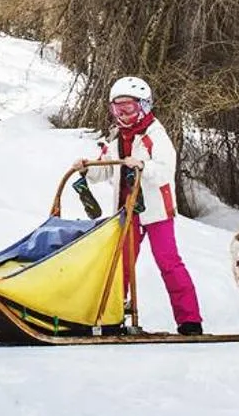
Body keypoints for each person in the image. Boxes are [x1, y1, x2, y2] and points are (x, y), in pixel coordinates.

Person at [75, 76, 205, 335]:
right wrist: (87, 168)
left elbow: (165, 171)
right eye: (117, 108)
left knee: (168, 261)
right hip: (128, 209)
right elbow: (105, 171)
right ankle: (113, 316)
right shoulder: (116, 139)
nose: (122, 115)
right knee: (120, 262)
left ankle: (190, 320)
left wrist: (142, 165)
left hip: (155, 210)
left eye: (129, 108)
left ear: (144, 107)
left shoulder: (155, 135)